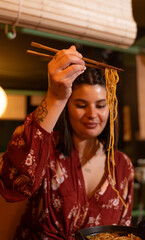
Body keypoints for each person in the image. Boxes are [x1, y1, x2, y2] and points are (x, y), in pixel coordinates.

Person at [0, 46, 134, 240]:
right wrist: (56, 97)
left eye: (101, 105)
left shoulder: (122, 166)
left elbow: (125, 234)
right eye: (81, 105)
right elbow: (14, 185)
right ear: (67, 107)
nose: (92, 114)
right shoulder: (47, 148)